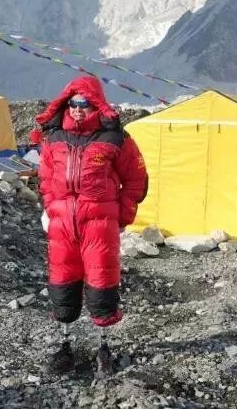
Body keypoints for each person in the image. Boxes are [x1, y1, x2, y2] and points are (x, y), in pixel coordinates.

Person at [35, 76, 148, 375]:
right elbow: (45, 176)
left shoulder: (115, 138)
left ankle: (103, 347)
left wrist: (122, 216)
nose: (77, 109)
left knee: (101, 283)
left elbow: (136, 179)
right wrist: (50, 207)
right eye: (72, 103)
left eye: (84, 103)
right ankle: (64, 346)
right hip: (62, 225)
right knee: (63, 284)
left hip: (99, 224)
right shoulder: (54, 137)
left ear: (96, 104)